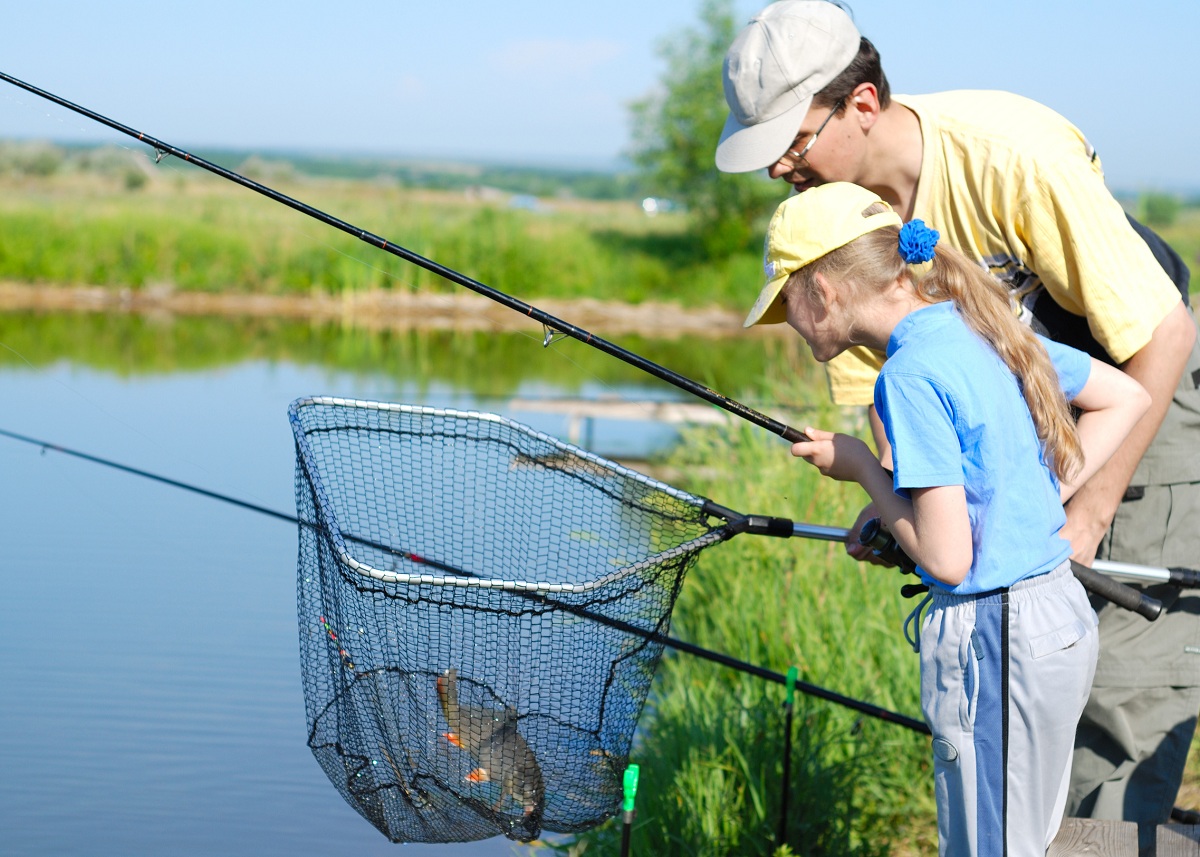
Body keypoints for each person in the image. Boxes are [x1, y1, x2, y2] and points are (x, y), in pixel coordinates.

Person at [715, 2, 1200, 849]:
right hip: (1029, 431)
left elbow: (1161, 338)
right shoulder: (843, 233)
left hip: (1141, 381)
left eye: (792, 144)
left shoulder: (1013, 155)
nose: (781, 170)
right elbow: (889, 404)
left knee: (1118, 703)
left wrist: (1078, 514)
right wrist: (887, 502)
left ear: (861, 103)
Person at [749, 181, 1150, 856]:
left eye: (785, 300)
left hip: (998, 639)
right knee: (1030, 838)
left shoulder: (905, 378)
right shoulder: (983, 327)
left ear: (823, 288)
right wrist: (1034, 499)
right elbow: (1126, 396)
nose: (785, 319)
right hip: (1055, 618)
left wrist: (862, 468)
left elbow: (946, 560)